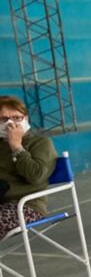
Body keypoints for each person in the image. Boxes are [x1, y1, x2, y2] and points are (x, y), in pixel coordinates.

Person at [0, 95, 56, 243]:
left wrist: (16, 147)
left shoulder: (40, 143)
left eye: (17, 118)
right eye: (3, 119)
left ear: (26, 119)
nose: (11, 124)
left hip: (26, 206)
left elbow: (36, 176)